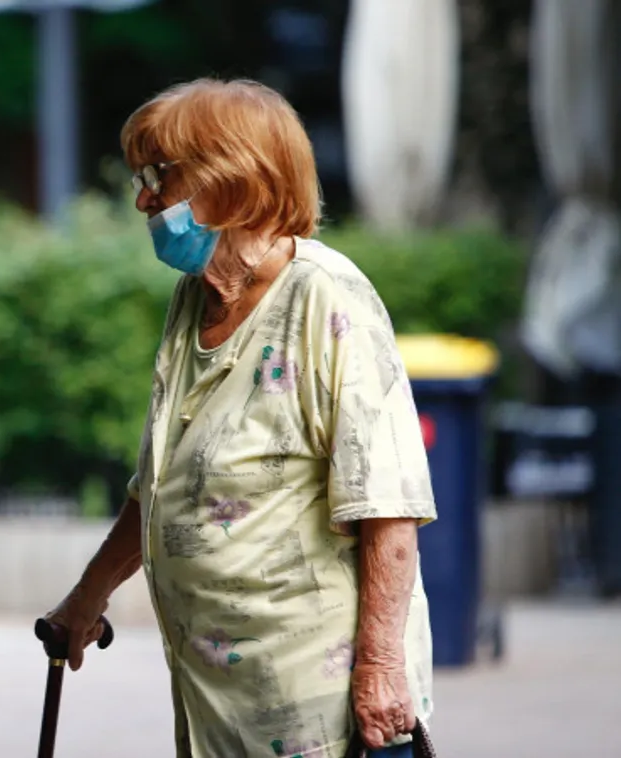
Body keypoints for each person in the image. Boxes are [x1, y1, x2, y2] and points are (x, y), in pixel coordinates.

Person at [44, 78, 438, 758]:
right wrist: (87, 598)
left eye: (158, 176)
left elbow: (386, 501)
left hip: (315, 701)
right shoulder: (191, 301)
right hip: (215, 693)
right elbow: (161, 484)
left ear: (231, 175)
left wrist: (379, 669)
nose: (142, 199)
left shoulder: (323, 294)